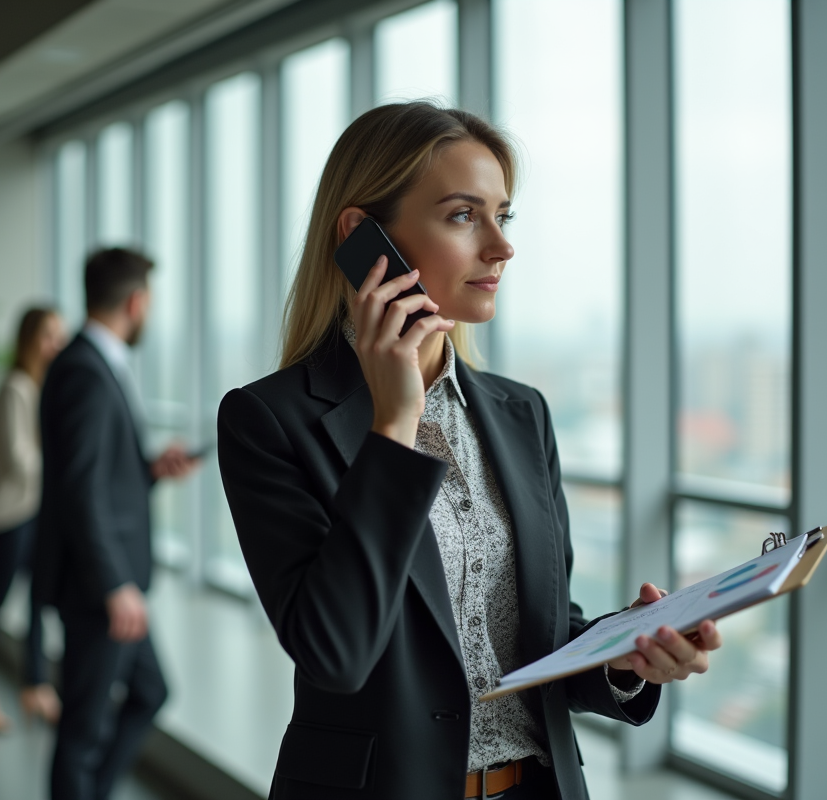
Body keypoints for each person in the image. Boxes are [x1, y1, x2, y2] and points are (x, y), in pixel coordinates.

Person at [216, 102, 725, 800]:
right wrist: (394, 424)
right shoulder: (271, 420)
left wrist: (626, 656)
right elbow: (334, 651)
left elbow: (542, 638)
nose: (502, 246)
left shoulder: (521, 413)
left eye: (503, 216)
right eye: (463, 215)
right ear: (363, 237)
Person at [35, 247, 201, 800]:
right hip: (99, 588)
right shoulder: (84, 370)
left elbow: (95, 476)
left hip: (110, 581)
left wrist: (148, 469)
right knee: (82, 728)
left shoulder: (90, 362)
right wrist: (113, 585)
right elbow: (79, 491)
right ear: (136, 302)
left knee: (150, 693)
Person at [0, 307, 68, 732]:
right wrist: (63, 464)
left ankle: (36, 687)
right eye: (48, 335)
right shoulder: (15, 388)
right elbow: (19, 460)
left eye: (60, 336)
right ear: (28, 340)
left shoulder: (42, 387)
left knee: (38, 601)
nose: (56, 345)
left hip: (37, 510)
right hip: (13, 514)